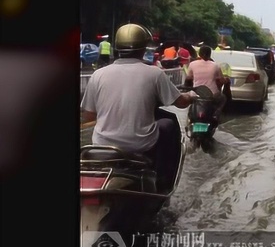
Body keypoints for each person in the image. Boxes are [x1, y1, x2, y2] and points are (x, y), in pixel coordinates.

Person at [80, 23, 194, 191]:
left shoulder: (98, 75)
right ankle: (164, 182)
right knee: (168, 123)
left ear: (117, 48)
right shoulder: (154, 73)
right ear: (143, 49)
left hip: (101, 144)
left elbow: (89, 116)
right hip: (141, 144)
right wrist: (191, 96)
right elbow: (181, 102)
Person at [184, 45, 227, 115]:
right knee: (223, 98)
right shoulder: (216, 65)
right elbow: (222, 80)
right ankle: (217, 113)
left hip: (196, 94)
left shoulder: (192, 64)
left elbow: (188, 78)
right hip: (212, 94)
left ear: (199, 54)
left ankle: (190, 116)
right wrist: (225, 80)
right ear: (210, 54)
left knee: (189, 98)